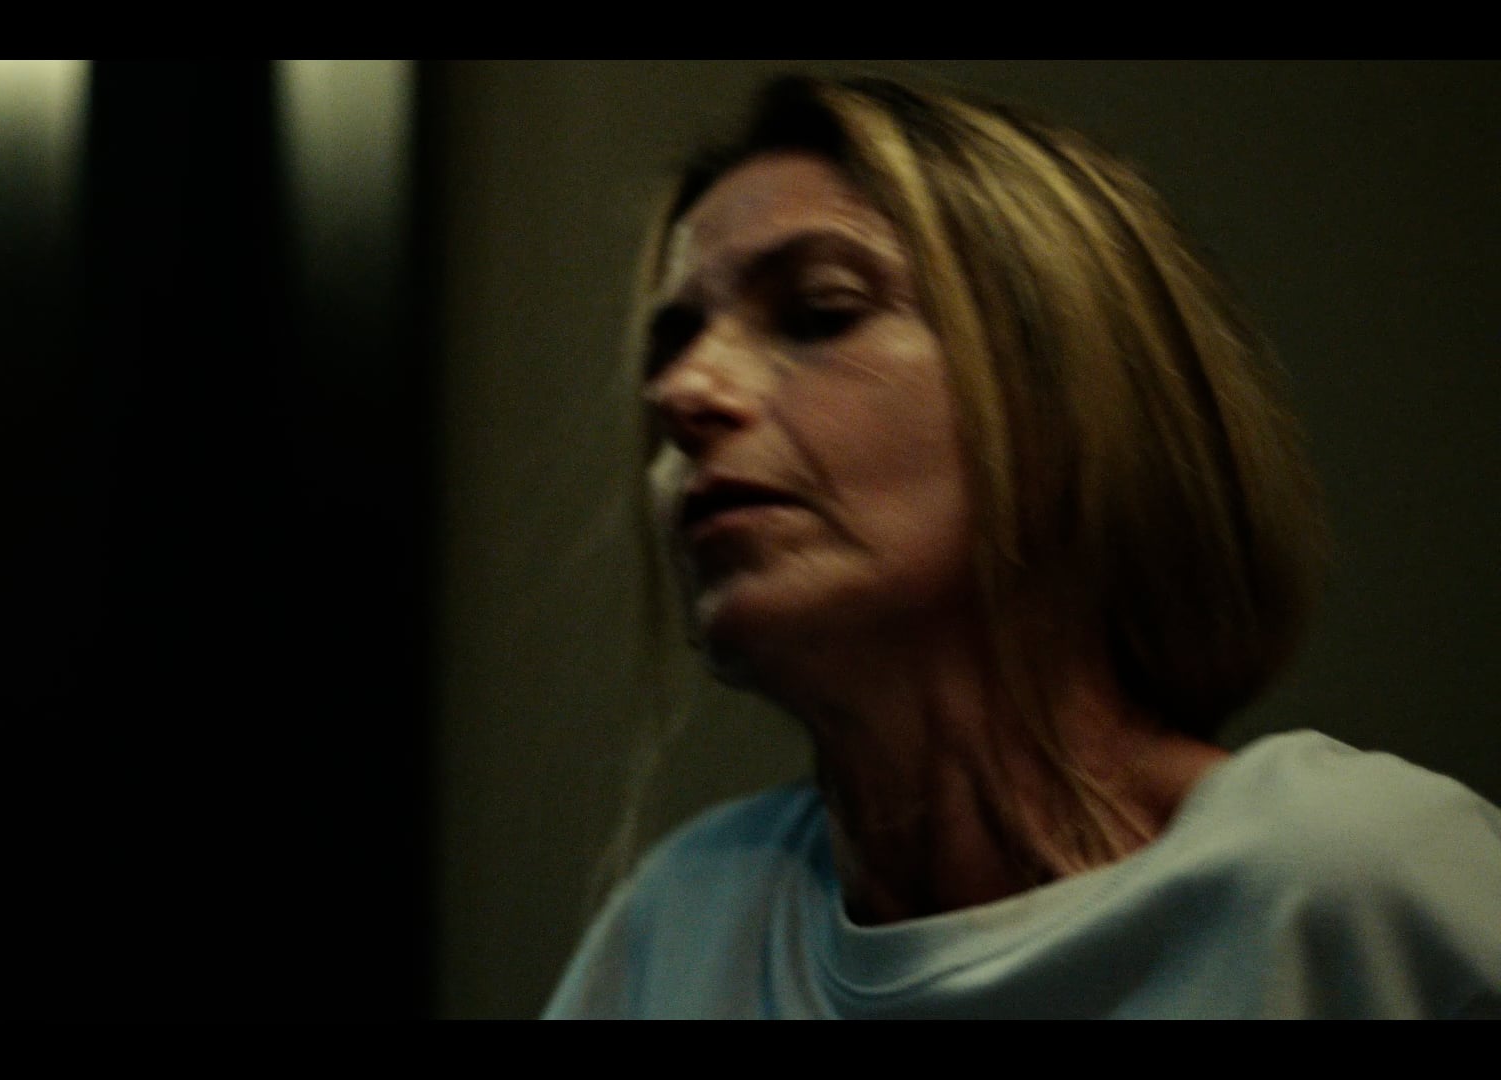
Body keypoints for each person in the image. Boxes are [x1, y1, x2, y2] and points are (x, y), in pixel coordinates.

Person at [543, 75, 1501, 1019]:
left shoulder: (1358, 887)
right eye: (673, 344)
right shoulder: (685, 923)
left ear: (1068, 398)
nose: (680, 392)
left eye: (821, 312)